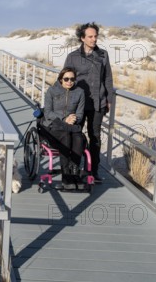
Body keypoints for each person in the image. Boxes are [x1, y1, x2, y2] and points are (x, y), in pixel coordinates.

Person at [64, 22, 114, 183]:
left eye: (96, 36)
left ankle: (92, 171)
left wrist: (109, 99)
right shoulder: (72, 57)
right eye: (90, 36)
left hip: (97, 103)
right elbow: (65, 79)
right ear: (82, 38)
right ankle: (73, 169)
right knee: (74, 135)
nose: (94, 39)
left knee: (95, 137)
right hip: (77, 103)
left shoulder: (103, 55)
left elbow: (107, 78)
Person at [41, 67, 85, 190]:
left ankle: (75, 172)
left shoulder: (80, 92)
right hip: (55, 126)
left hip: (73, 126)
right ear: (61, 79)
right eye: (66, 79)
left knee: (79, 139)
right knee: (65, 137)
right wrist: (64, 118)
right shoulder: (52, 91)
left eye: (72, 79)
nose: (69, 81)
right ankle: (66, 175)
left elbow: (80, 114)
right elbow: (48, 112)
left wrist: (74, 119)